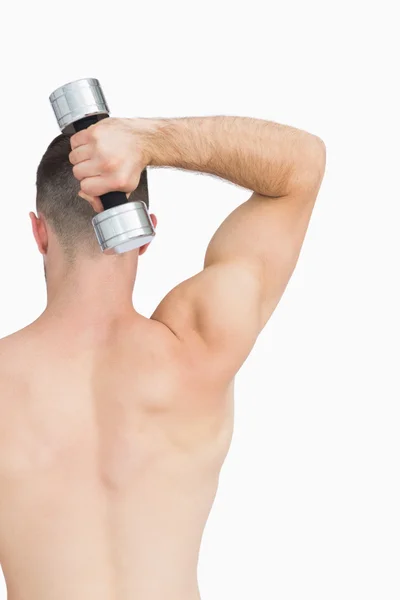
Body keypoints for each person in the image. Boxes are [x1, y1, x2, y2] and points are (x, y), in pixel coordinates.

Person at [0, 115, 326, 600]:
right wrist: (148, 143)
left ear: (38, 232)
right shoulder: (199, 343)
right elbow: (303, 163)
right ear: (147, 232)